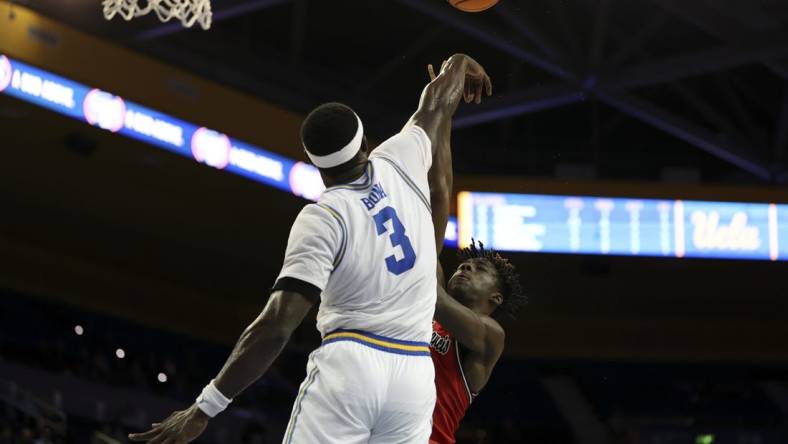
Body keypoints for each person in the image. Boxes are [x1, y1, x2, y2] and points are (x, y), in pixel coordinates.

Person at [128, 53, 492, 444]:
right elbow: (437, 102)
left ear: (316, 166)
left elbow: (276, 325)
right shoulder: (398, 158)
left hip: (352, 365)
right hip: (414, 381)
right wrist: (461, 63)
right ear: (366, 143)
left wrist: (203, 408)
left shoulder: (324, 216)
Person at [424, 62, 526, 444]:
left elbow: (430, 295)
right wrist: (442, 110)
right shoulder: (431, 308)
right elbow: (441, 189)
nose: (465, 265)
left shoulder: (489, 336)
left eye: (478, 268)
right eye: (465, 262)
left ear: (494, 298)